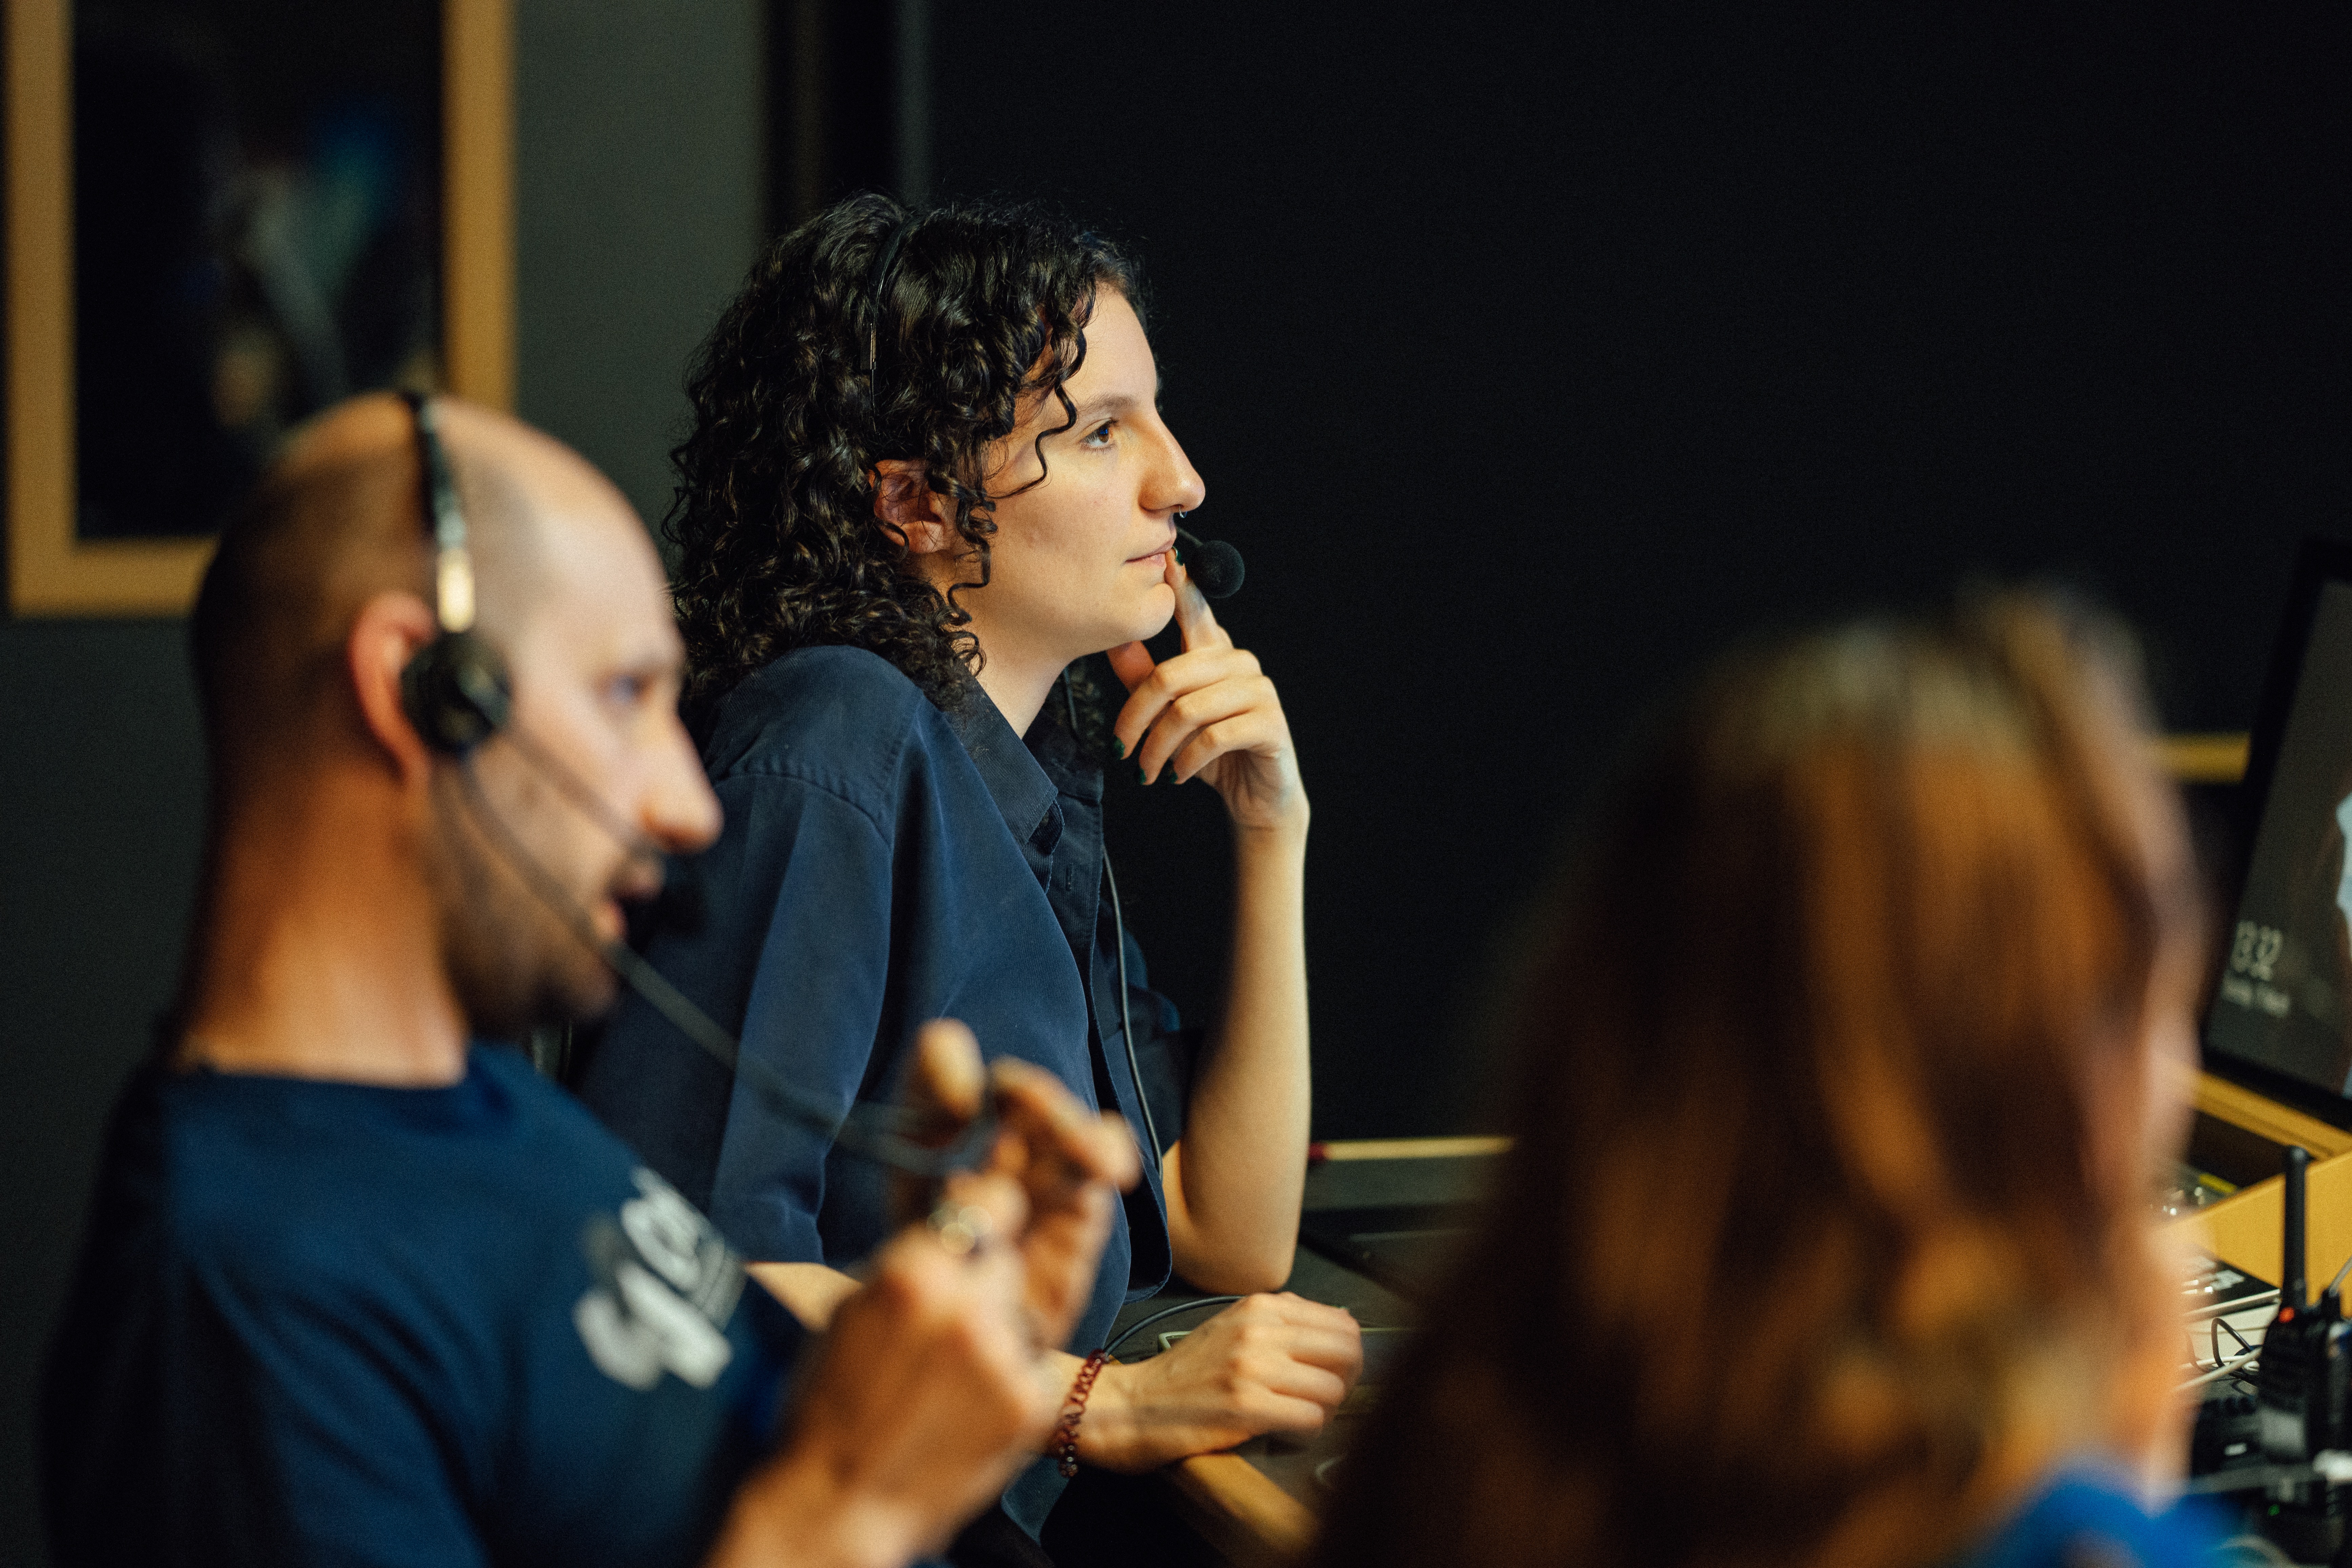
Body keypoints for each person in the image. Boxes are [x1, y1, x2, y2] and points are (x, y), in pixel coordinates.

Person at [40, 392, 1138, 1568]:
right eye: (624, 697)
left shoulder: (483, 1113)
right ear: (425, 691)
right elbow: (817, 1510)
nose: (685, 801)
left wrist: (954, 1314)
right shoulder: (244, 1295)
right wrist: (847, 1507)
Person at [572, 195, 1361, 1554]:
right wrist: (1097, 1405)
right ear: (916, 500)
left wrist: (1270, 829)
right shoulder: (831, 742)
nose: (1180, 481)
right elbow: (689, 1276)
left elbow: (1229, 1234)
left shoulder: (1020, 769)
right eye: (1105, 430)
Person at [1310, 593, 2231, 1568]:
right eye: (2149, 1006)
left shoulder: (1453, 1427)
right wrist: (2126, 1488)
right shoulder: (2068, 1540)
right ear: (2046, 1078)